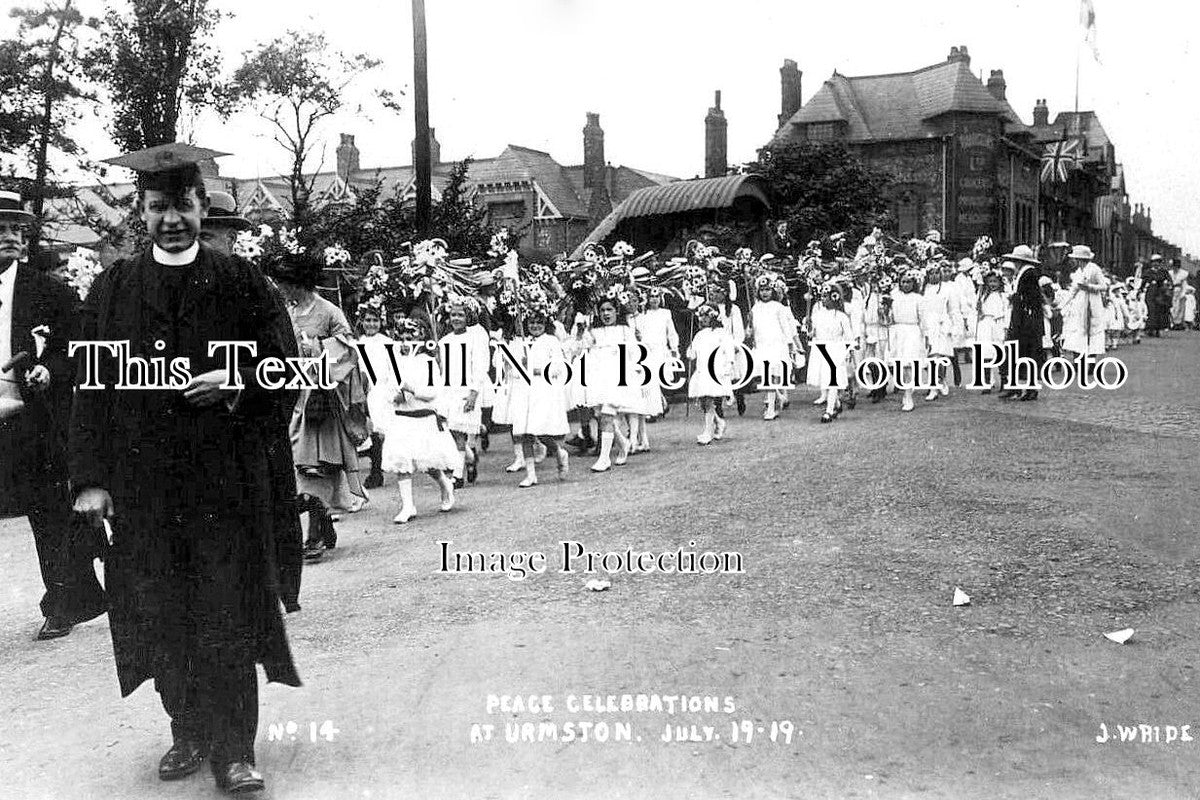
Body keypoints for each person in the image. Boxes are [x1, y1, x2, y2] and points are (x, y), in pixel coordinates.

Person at [70, 143, 300, 793]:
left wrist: (237, 380)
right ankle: (187, 731)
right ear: (141, 213)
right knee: (161, 614)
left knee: (227, 613)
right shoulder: (114, 289)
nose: (171, 218)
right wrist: (90, 479)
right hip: (144, 488)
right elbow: (88, 389)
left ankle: (234, 749)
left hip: (224, 483)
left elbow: (286, 368)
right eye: (157, 206)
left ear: (203, 207)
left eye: (183, 205)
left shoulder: (242, 284)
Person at [0, 189, 106, 641]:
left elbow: (75, 349)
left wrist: (49, 368)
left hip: (31, 420)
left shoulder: (48, 291)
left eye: (16, 231)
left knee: (48, 514)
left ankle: (64, 602)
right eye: (0, 231)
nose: (10, 239)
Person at [275, 252, 367, 560]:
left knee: (315, 466)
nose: (282, 289)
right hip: (290, 393)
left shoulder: (329, 312)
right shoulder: (285, 310)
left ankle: (314, 533)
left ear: (299, 283)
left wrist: (316, 351)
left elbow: (349, 351)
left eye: (285, 283)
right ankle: (323, 522)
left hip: (320, 399)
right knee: (293, 465)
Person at [369, 317, 458, 522]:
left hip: (422, 417)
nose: (407, 338)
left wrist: (411, 390)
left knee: (429, 462)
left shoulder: (427, 362)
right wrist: (394, 396)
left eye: (412, 335)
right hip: (402, 418)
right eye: (403, 335)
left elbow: (432, 392)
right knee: (402, 461)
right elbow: (386, 386)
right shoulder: (395, 362)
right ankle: (408, 506)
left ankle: (445, 484)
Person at [506, 311, 571, 486]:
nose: (535, 326)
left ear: (545, 324)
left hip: (542, 390)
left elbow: (558, 367)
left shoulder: (551, 341)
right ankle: (531, 474)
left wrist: (534, 369)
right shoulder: (521, 341)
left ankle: (558, 452)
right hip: (524, 391)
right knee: (525, 432)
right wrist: (519, 365)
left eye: (539, 323)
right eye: (531, 323)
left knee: (540, 432)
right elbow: (510, 368)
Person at [1000, 245, 1048, 401]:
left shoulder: (1029, 274)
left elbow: (1031, 298)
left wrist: (1016, 298)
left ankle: (1030, 389)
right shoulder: (1022, 274)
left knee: (1027, 353)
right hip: (1022, 319)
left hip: (1027, 321)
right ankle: (1017, 386)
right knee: (1019, 353)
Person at [806, 282, 856, 423]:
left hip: (836, 349)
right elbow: (811, 334)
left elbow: (848, 336)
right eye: (822, 297)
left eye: (826, 297)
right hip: (821, 348)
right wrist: (809, 327)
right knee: (825, 379)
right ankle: (836, 404)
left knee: (832, 379)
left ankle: (829, 410)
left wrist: (849, 352)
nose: (823, 300)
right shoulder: (817, 315)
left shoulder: (841, 317)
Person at [687, 304, 735, 444]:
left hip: (716, 370)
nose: (702, 319)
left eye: (706, 316)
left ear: (714, 316)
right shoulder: (699, 335)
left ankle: (707, 432)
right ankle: (719, 422)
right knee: (704, 402)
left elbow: (729, 351)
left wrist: (729, 366)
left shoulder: (722, 333)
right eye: (700, 316)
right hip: (702, 371)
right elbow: (693, 353)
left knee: (708, 401)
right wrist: (690, 352)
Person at [974, 270, 1008, 394]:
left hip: (998, 323)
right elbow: (978, 309)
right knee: (985, 354)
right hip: (985, 324)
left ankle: (1004, 381)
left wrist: (1005, 327)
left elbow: (1006, 311)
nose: (992, 284)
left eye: (995, 281)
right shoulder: (983, 295)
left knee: (999, 353)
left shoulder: (1003, 296)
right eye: (990, 282)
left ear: (1000, 282)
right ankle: (987, 383)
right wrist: (979, 309)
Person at [197, 190, 252, 256]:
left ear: (230, 239)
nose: (195, 245)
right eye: (191, 238)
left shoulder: (243, 266)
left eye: (204, 237)